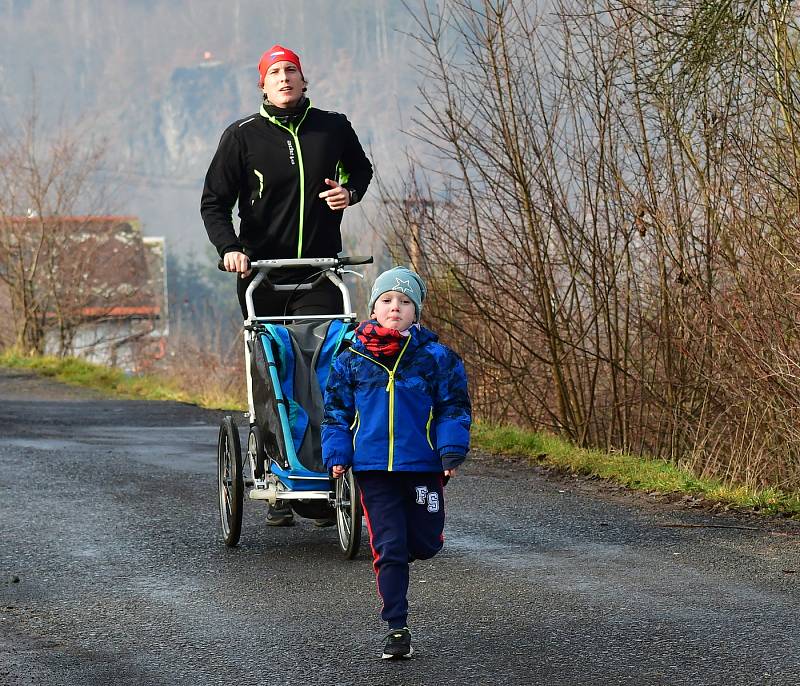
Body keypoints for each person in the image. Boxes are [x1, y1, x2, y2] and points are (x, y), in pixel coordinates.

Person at [201, 44, 373, 526]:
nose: (283, 77)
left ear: (303, 79)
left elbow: (360, 169)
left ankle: (326, 472)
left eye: (290, 70)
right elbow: (214, 202)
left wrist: (350, 192)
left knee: (327, 372)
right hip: (263, 277)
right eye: (274, 72)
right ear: (263, 83)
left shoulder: (332, 126)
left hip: (320, 273)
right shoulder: (242, 137)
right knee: (273, 368)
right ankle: (278, 473)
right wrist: (231, 248)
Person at [322, 267, 471, 659]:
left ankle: (412, 545)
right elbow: (335, 410)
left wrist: (450, 449)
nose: (395, 308)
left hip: (423, 465)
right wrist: (338, 451)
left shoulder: (437, 358)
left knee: (423, 542)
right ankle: (397, 628)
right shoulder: (351, 356)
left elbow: (453, 407)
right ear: (374, 308)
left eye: (405, 302)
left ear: (416, 312)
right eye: (387, 300)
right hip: (372, 468)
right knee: (388, 545)